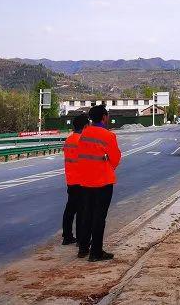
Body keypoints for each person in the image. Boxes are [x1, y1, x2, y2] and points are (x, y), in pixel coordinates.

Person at [76, 105, 121, 262]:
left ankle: (83, 248)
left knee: (87, 214)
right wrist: (107, 164)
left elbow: (81, 156)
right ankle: (96, 252)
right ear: (104, 117)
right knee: (99, 217)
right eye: (107, 115)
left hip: (85, 181)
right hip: (103, 182)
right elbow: (115, 159)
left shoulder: (84, 134)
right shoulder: (108, 135)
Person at [62, 113, 88, 246]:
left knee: (70, 209)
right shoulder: (82, 141)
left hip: (71, 180)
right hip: (82, 180)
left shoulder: (69, 140)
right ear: (85, 126)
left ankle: (67, 237)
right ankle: (80, 239)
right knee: (82, 211)